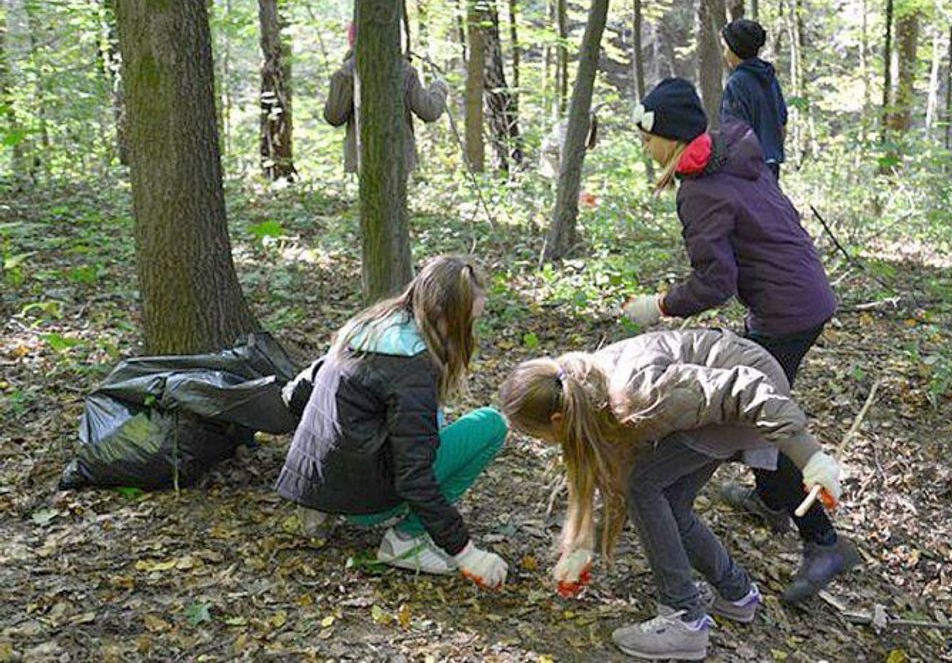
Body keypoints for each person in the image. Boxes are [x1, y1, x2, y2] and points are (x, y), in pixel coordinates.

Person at [622, 78, 856, 604]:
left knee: (759, 417)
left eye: (648, 137)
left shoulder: (700, 190)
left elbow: (715, 283)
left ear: (672, 137)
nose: (645, 146)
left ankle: (824, 542)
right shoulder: (730, 152)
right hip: (803, 293)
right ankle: (772, 500)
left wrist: (659, 306)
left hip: (785, 310)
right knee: (757, 410)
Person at [498, 328, 843, 661]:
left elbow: (744, 389)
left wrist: (810, 457)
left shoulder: (636, 391)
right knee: (669, 499)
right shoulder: (585, 392)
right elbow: (614, 477)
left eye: (539, 436)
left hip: (753, 395)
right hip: (723, 400)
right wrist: (583, 547)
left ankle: (683, 618)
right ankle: (736, 593)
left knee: (644, 488)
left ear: (558, 419)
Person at [275, 256, 509, 589]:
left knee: (427, 421)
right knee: (490, 424)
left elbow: (301, 391)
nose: (471, 331)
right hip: (364, 501)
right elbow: (414, 478)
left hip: (313, 482)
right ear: (445, 315)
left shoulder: (370, 324)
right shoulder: (412, 367)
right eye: (468, 321)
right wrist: (466, 553)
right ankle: (405, 540)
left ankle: (323, 507)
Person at [323, 22, 447, 176]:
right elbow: (429, 110)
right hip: (398, 158)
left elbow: (333, 117)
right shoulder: (402, 69)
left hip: (362, 158)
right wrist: (439, 86)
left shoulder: (345, 73)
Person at [719, 19, 788, 182]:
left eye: (726, 48)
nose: (724, 54)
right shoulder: (769, 77)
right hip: (771, 164)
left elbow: (733, 133)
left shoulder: (736, 83)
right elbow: (782, 125)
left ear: (735, 49)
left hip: (748, 170)